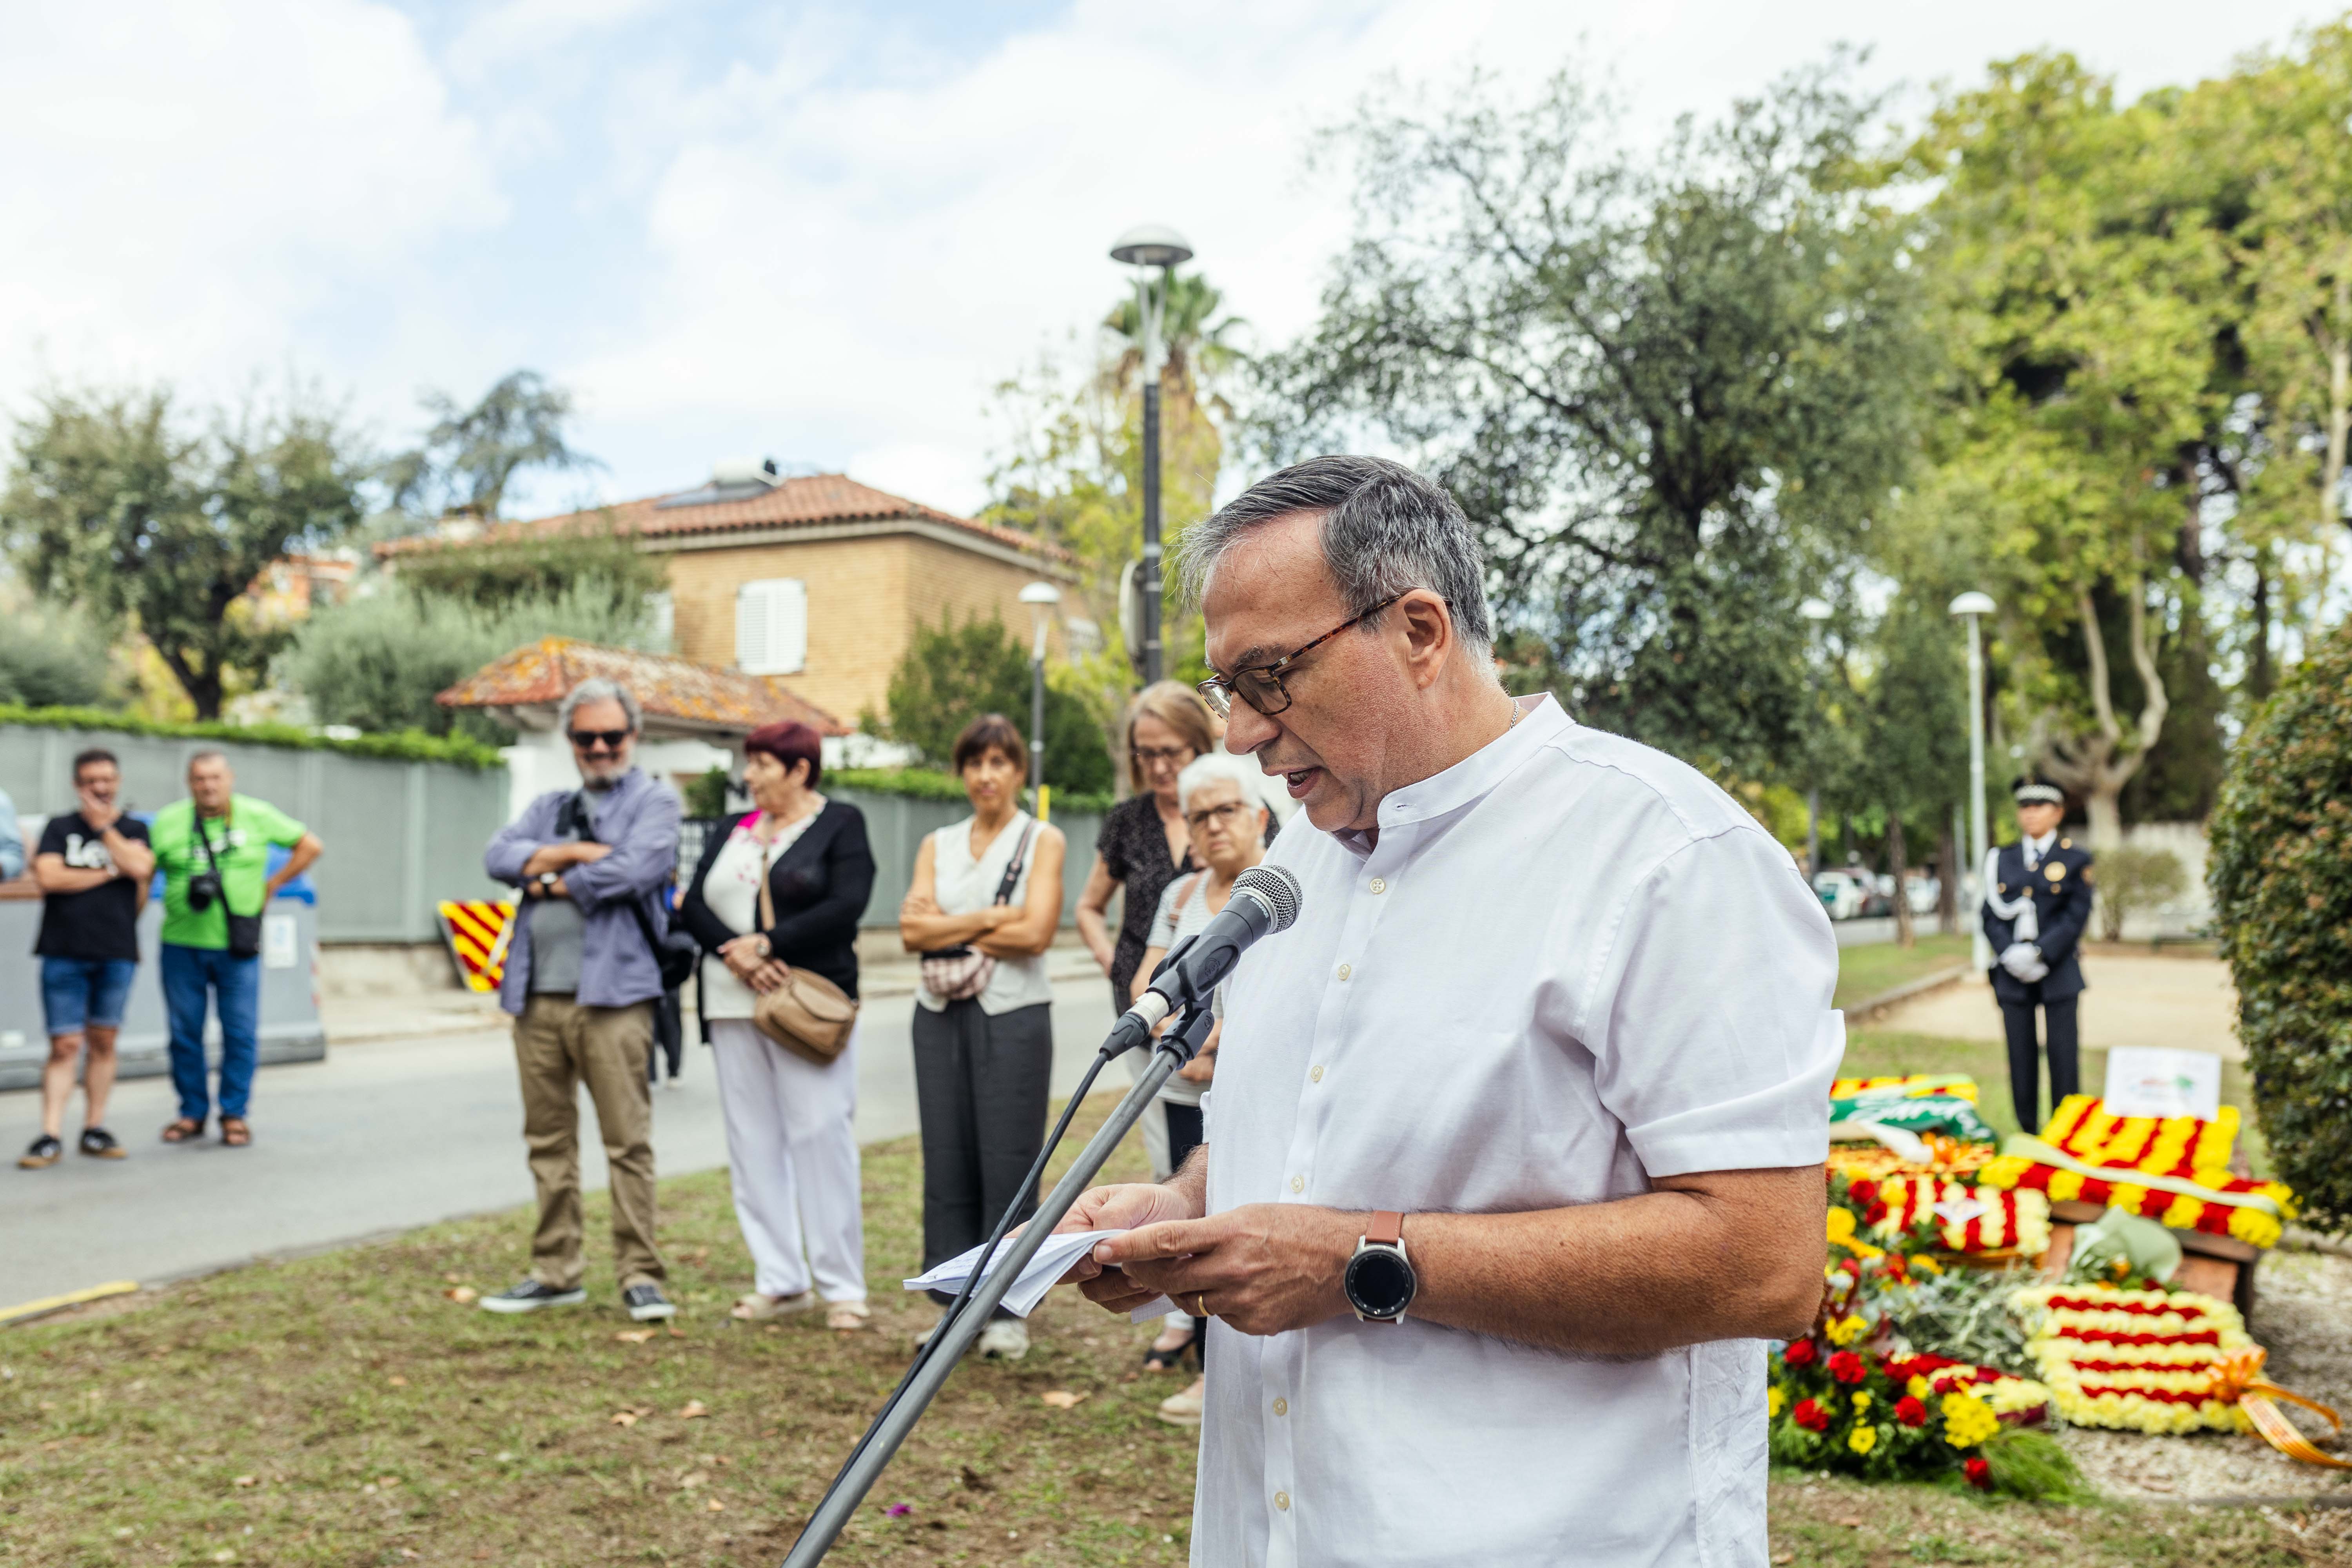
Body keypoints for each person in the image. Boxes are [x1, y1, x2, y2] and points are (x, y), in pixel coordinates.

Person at [1056, 456, 1835, 1567]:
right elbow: (1286, 1146)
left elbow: (1764, 1263)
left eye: (1268, 676)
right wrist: (1176, 1211)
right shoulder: (1304, 870)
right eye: (1226, 683)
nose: (1237, 732)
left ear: (1420, 631)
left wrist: (1360, 1265)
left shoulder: (1667, 857)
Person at [481, 680, 683, 1323]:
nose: (599, 748)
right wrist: (573, 854)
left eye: (611, 737)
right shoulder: (550, 805)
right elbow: (497, 856)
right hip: (536, 997)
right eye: (585, 738)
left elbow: (635, 870)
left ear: (634, 737)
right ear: (570, 741)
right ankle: (556, 1270)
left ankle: (640, 1275)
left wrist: (544, 878)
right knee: (548, 1140)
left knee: (627, 1142)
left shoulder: (657, 801)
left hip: (616, 998)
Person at [679, 719, 877, 1332]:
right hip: (732, 1002)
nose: (750, 775)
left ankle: (842, 1285)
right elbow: (690, 904)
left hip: (804, 1003)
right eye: (750, 764)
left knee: (820, 1134)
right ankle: (780, 1279)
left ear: (799, 769)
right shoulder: (732, 828)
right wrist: (735, 954)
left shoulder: (840, 823)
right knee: (752, 1140)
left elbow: (846, 904)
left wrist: (769, 943)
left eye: (763, 764)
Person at [899, 712, 1067, 1361]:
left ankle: (1006, 1309)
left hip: (1015, 1014)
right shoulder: (936, 844)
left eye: (999, 762)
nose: (985, 775)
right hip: (937, 1013)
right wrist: (995, 916)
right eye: (974, 763)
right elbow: (912, 934)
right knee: (947, 1160)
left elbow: (1037, 935)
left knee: (1009, 1160)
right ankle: (950, 1306)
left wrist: (951, 924)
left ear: (1018, 771)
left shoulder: (1041, 839)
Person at [1128, 750, 1271, 1425]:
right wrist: (1177, 1039)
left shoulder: (1284, 889)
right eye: (1199, 817)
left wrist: (1213, 1040)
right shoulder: (1179, 897)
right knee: (1191, 1227)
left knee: (1241, 1225)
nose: (1213, 827)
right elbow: (1148, 985)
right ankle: (1207, 1365)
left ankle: (1234, 1373)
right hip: (1183, 1089)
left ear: (1261, 814)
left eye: (1226, 810)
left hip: (1249, 1094)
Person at [147, 751, 323, 1149]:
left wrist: (273, 884)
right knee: (184, 1033)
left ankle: (234, 1114)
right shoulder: (170, 821)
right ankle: (192, 1111)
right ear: (189, 783)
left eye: (215, 777)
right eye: (199, 779)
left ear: (230, 779)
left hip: (237, 944)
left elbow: (311, 846)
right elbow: (144, 871)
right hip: (181, 944)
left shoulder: (256, 814)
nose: (208, 786)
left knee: (240, 1032)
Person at [21, 749, 154, 1169]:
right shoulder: (59, 827)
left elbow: (141, 867)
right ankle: (50, 1133)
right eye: (92, 780)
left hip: (116, 951)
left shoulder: (133, 828)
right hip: (63, 951)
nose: (101, 787)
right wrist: (110, 872)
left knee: (104, 1041)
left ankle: (94, 1128)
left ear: (117, 781)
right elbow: (48, 877)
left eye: (108, 779)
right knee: (65, 1044)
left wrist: (106, 831)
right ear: (79, 784)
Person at [1075, 682, 1219, 1024]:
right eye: (1146, 754)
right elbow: (1089, 907)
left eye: (1170, 752)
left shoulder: (1240, 811)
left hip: (1220, 995)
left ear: (1199, 746)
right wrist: (1113, 961)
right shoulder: (1127, 821)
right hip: (1141, 1001)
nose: (1157, 768)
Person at [1981, 777, 2095, 1135]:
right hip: (2012, 973)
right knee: (2021, 1058)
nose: (2031, 814)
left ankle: (2065, 1134)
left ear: (2058, 812)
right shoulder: (2002, 858)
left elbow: (2075, 915)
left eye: (2039, 806)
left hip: (2058, 970)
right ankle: (2027, 1131)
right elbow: (1989, 912)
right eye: (2025, 807)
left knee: (2064, 1057)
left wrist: (2040, 952)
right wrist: (2010, 954)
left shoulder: (2076, 859)